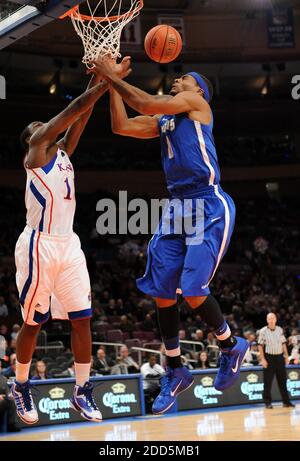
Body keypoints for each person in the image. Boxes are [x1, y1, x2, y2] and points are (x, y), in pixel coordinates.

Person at [92, 58, 249, 414]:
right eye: (178, 77)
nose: (179, 79)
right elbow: (121, 125)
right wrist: (109, 84)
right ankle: (176, 368)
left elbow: (145, 101)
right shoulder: (165, 122)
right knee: (162, 289)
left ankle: (230, 344)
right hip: (178, 207)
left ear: (200, 91)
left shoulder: (197, 106)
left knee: (193, 290)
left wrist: (110, 76)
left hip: (208, 203)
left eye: (186, 78)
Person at [11, 57, 131, 425]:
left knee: (83, 320)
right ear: (32, 141)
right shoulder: (35, 157)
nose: (42, 129)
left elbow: (80, 116)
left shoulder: (61, 154)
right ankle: (20, 384)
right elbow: (73, 109)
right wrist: (108, 82)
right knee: (33, 324)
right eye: (37, 129)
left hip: (68, 245)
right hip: (38, 245)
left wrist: (98, 79)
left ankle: (82, 389)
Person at [258, 312, 295, 409]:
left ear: (275, 319)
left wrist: (286, 356)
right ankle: (267, 402)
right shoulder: (263, 331)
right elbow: (260, 346)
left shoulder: (279, 329)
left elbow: (283, 343)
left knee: (283, 381)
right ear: (267, 320)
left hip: (279, 358)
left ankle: (286, 402)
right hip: (269, 358)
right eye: (269, 318)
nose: (271, 320)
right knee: (268, 382)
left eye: (273, 318)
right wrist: (263, 359)